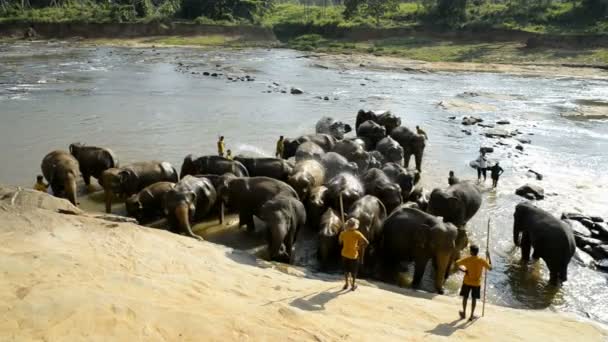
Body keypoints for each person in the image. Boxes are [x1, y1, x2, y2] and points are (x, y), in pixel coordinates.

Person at [456, 245, 492, 321]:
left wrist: (464, 270)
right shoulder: (481, 260)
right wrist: (488, 257)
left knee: (465, 297)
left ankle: (464, 313)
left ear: (471, 252)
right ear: (477, 252)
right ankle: (471, 315)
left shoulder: (468, 259)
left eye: (470, 250)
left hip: (467, 282)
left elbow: (456, 263)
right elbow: (490, 268)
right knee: (474, 299)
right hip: (476, 283)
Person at [338, 218, 369, 291]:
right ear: (355, 226)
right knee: (354, 271)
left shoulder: (343, 233)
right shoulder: (357, 233)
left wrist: (343, 236)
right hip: (353, 255)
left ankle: (346, 284)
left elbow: (340, 242)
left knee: (346, 270)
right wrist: (359, 247)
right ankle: (353, 285)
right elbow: (366, 242)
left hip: (344, 254)